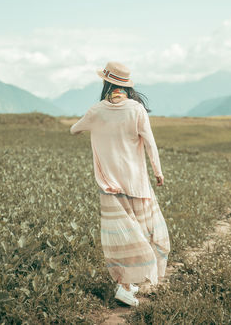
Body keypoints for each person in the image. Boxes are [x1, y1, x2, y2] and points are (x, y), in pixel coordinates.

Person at [70, 61, 170, 307]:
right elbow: (150, 143)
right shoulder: (137, 110)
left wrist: (96, 127)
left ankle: (125, 284)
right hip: (137, 185)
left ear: (107, 83)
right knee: (143, 233)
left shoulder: (97, 110)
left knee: (125, 238)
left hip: (110, 187)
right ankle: (125, 286)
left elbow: (74, 130)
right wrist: (158, 172)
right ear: (125, 86)